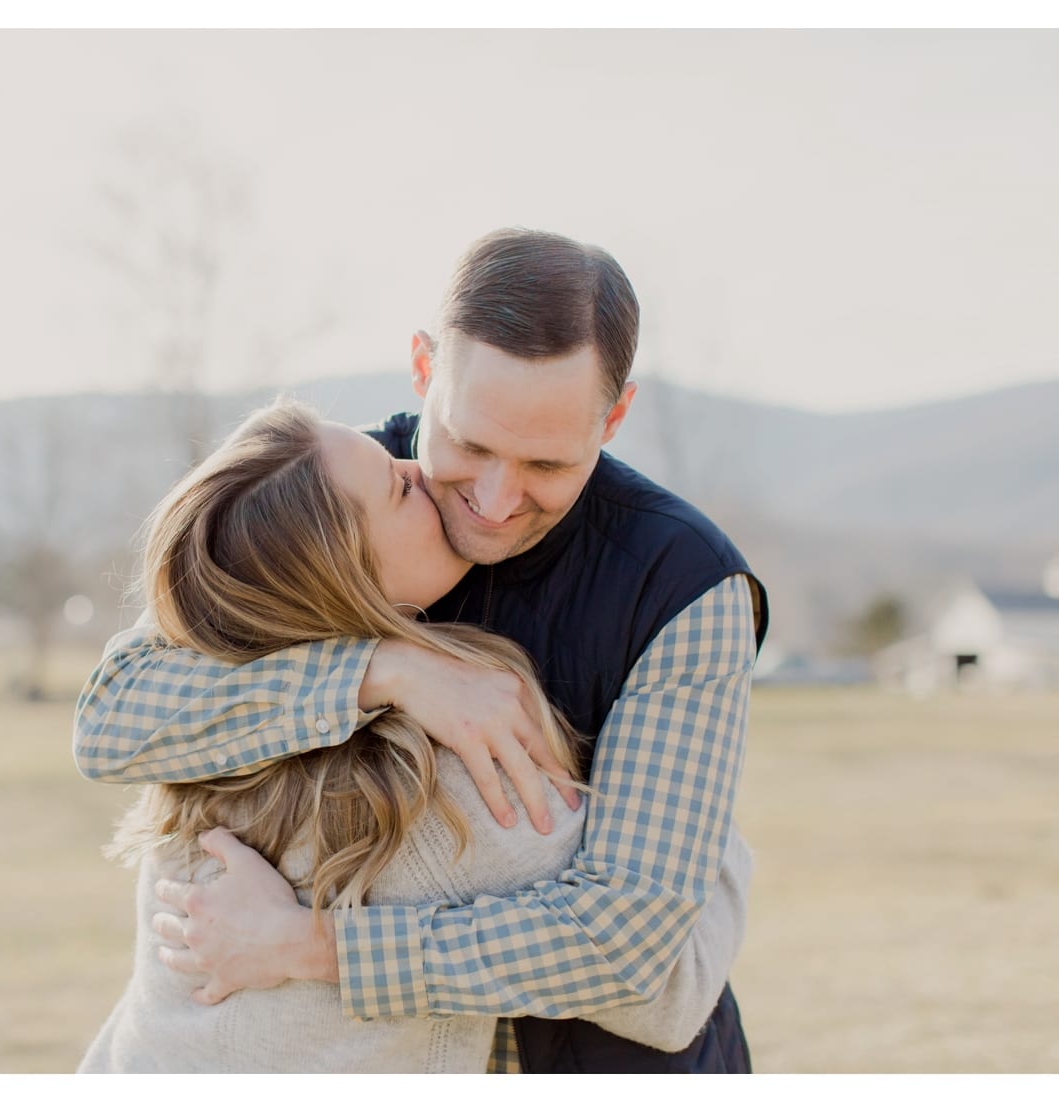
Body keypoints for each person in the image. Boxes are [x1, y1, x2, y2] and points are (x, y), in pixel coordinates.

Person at [76, 228, 769, 1073]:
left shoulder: (687, 586)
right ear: (422, 370)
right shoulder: (323, 502)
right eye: (469, 444)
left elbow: (631, 947)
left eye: (546, 463)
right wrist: (382, 672)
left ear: (615, 416)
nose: (493, 499)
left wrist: (316, 946)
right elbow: (112, 717)